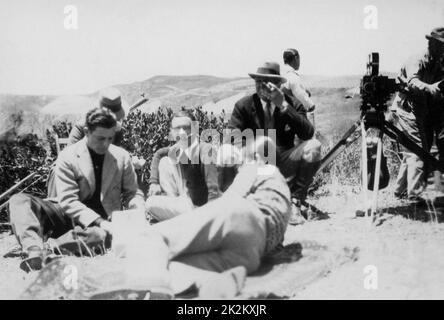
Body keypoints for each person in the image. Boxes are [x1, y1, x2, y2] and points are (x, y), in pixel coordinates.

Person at [93, 137, 291, 299]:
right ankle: (192, 287)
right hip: (255, 249)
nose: (239, 166)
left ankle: (142, 286)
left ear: (257, 156)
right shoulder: (282, 190)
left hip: (243, 216)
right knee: (180, 266)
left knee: (152, 238)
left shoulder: (258, 168)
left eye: (244, 159)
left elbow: (232, 199)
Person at [8, 107, 145, 272]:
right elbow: (68, 201)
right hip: (67, 213)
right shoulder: (68, 156)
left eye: (110, 138)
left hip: (102, 220)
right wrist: (100, 222)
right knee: (19, 201)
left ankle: (51, 247)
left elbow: (133, 192)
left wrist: (137, 208)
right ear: (87, 132)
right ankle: (33, 249)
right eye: (100, 138)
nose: (106, 144)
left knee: (99, 236)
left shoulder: (122, 157)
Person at [226, 61, 323, 224]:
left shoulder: (291, 103)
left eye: (267, 82)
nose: (262, 86)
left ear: (278, 85)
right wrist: (248, 155)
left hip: (284, 161)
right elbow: (233, 138)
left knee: (314, 147)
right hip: (255, 165)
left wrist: (284, 106)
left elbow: (308, 133)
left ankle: (295, 201)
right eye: (258, 82)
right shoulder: (244, 105)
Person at [389, 27, 444, 201]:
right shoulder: (418, 59)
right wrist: (429, 88)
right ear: (432, 44)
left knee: (414, 149)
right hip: (406, 110)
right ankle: (415, 194)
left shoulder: (437, 62)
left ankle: (401, 190)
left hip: (418, 111)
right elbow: (413, 81)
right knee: (418, 150)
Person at [145, 109, 219, 222]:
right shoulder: (179, 148)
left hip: (202, 208)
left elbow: (214, 189)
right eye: (177, 128)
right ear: (172, 132)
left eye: (186, 128)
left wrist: (211, 218)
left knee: (150, 203)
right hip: (187, 202)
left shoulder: (205, 150)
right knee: (165, 161)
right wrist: (154, 183)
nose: (182, 132)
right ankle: (175, 210)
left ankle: (178, 220)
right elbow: (159, 154)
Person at [282, 48, 316, 114]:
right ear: (296, 58)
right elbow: (306, 102)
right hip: (292, 117)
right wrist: (311, 105)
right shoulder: (292, 76)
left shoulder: (282, 74)